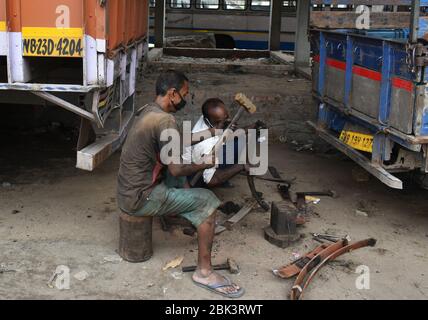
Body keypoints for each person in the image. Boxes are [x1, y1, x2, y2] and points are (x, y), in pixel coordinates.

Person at [117, 70, 245, 298]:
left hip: (128, 191)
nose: (186, 99)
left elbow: (175, 140)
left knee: (177, 171)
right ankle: (204, 272)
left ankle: (183, 208)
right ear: (173, 94)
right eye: (184, 94)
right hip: (141, 197)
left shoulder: (150, 111)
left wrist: (212, 132)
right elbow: (176, 168)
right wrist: (204, 164)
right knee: (208, 203)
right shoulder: (165, 120)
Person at [183, 98, 265, 188]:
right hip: (197, 177)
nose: (229, 120)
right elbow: (210, 181)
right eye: (223, 121)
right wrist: (241, 166)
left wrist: (249, 128)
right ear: (212, 122)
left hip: (203, 157)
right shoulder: (206, 145)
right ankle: (222, 176)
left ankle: (223, 171)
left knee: (242, 138)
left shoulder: (208, 119)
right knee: (240, 144)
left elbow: (224, 136)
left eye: (227, 116)